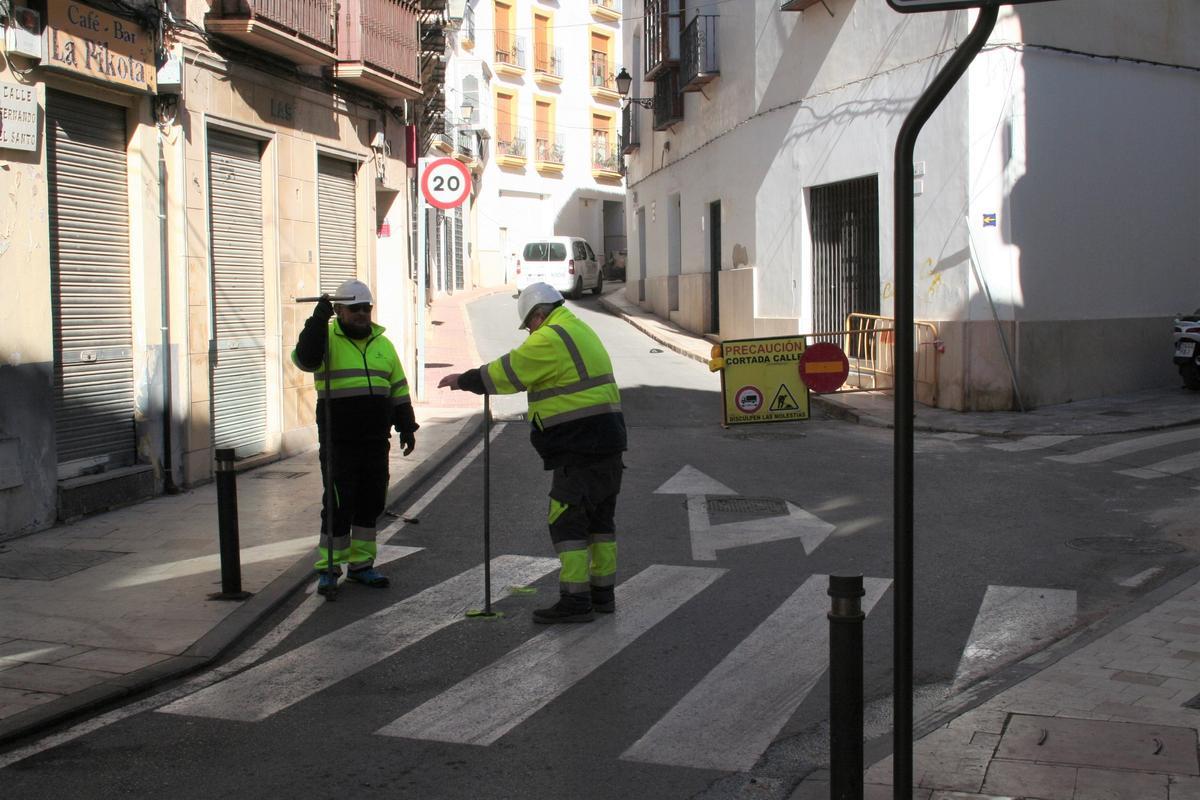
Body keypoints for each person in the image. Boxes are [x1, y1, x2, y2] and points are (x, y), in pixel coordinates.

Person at [439, 282, 626, 623]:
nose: (529, 333)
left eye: (528, 325)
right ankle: (602, 594)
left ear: (538, 315)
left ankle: (575, 601)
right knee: (599, 523)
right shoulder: (579, 328)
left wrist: (465, 380)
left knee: (566, 523)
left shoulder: (550, 338)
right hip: (607, 444)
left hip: (579, 447)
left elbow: (507, 373)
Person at [291, 279, 418, 597]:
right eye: (355, 309)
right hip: (340, 440)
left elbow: (398, 388)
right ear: (339, 311)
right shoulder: (326, 339)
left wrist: (406, 425)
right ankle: (329, 568)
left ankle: (361, 566)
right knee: (338, 503)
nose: (362, 314)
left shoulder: (382, 343)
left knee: (371, 501)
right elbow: (305, 359)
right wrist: (317, 320)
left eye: (367, 308)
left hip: (375, 440)